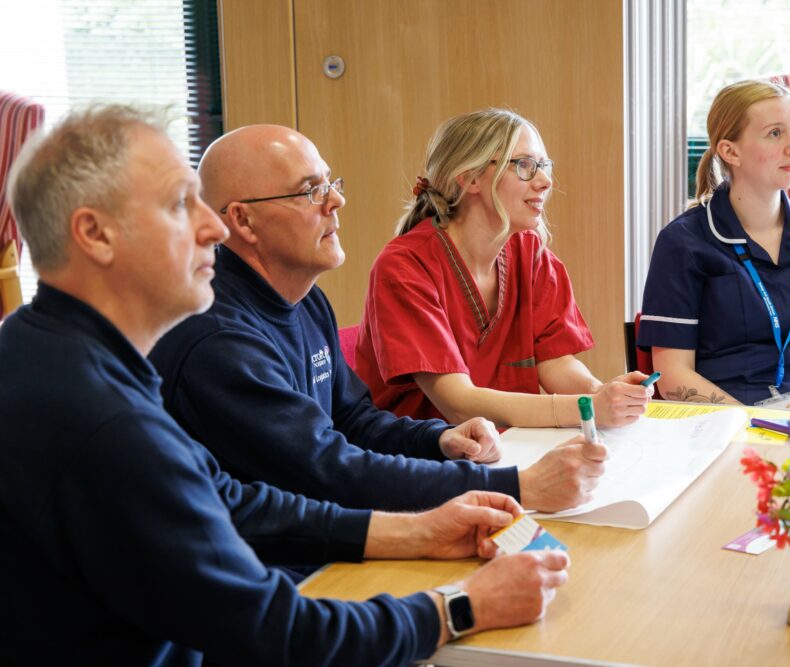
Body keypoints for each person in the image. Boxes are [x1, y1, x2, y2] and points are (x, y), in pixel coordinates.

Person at [0, 104, 571, 666]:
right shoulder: (106, 417)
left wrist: (414, 532)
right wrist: (460, 609)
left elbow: (230, 500)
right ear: (95, 235)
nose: (211, 227)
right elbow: (269, 628)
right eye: (181, 205)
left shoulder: (54, 350)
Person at [149, 123, 605, 514]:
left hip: (326, 523)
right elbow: (327, 471)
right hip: (280, 562)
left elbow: (354, 419)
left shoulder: (306, 301)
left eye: (331, 184)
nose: (335, 203)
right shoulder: (218, 340)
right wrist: (513, 488)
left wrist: (437, 442)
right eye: (311, 191)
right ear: (243, 222)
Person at [356, 108, 652, 428]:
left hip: (506, 446)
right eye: (525, 166)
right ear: (469, 177)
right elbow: (456, 403)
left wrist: (604, 393)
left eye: (543, 166)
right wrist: (587, 408)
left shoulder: (531, 254)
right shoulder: (404, 267)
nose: (545, 181)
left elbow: (555, 363)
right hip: (424, 459)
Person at [638, 79, 790, 410]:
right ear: (730, 151)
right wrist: (748, 421)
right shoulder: (683, 242)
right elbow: (672, 374)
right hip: (722, 420)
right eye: (775, 133)